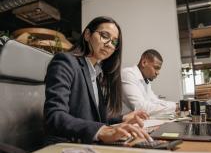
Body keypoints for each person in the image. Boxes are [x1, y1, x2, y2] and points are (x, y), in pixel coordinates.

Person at [44, 16, 152, 145]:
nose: (109, 45)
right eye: (104, 35)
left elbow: (93, 117)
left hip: (88, 143)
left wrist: (123, 118)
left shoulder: (96, 72)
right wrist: (102, 131)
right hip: (66, 145)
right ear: (88, 35)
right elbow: (55, 116)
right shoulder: (65, 62)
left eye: (114, 42)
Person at [121, 49, 178, 116]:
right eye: (156, 68)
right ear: (144, 63)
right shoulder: (128, 74)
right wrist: (175, 107)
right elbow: (140, 108)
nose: (158, 73)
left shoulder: (145, 80)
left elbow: (154, 101)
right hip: (118, 123)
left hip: (133, 122)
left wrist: (177, 105)